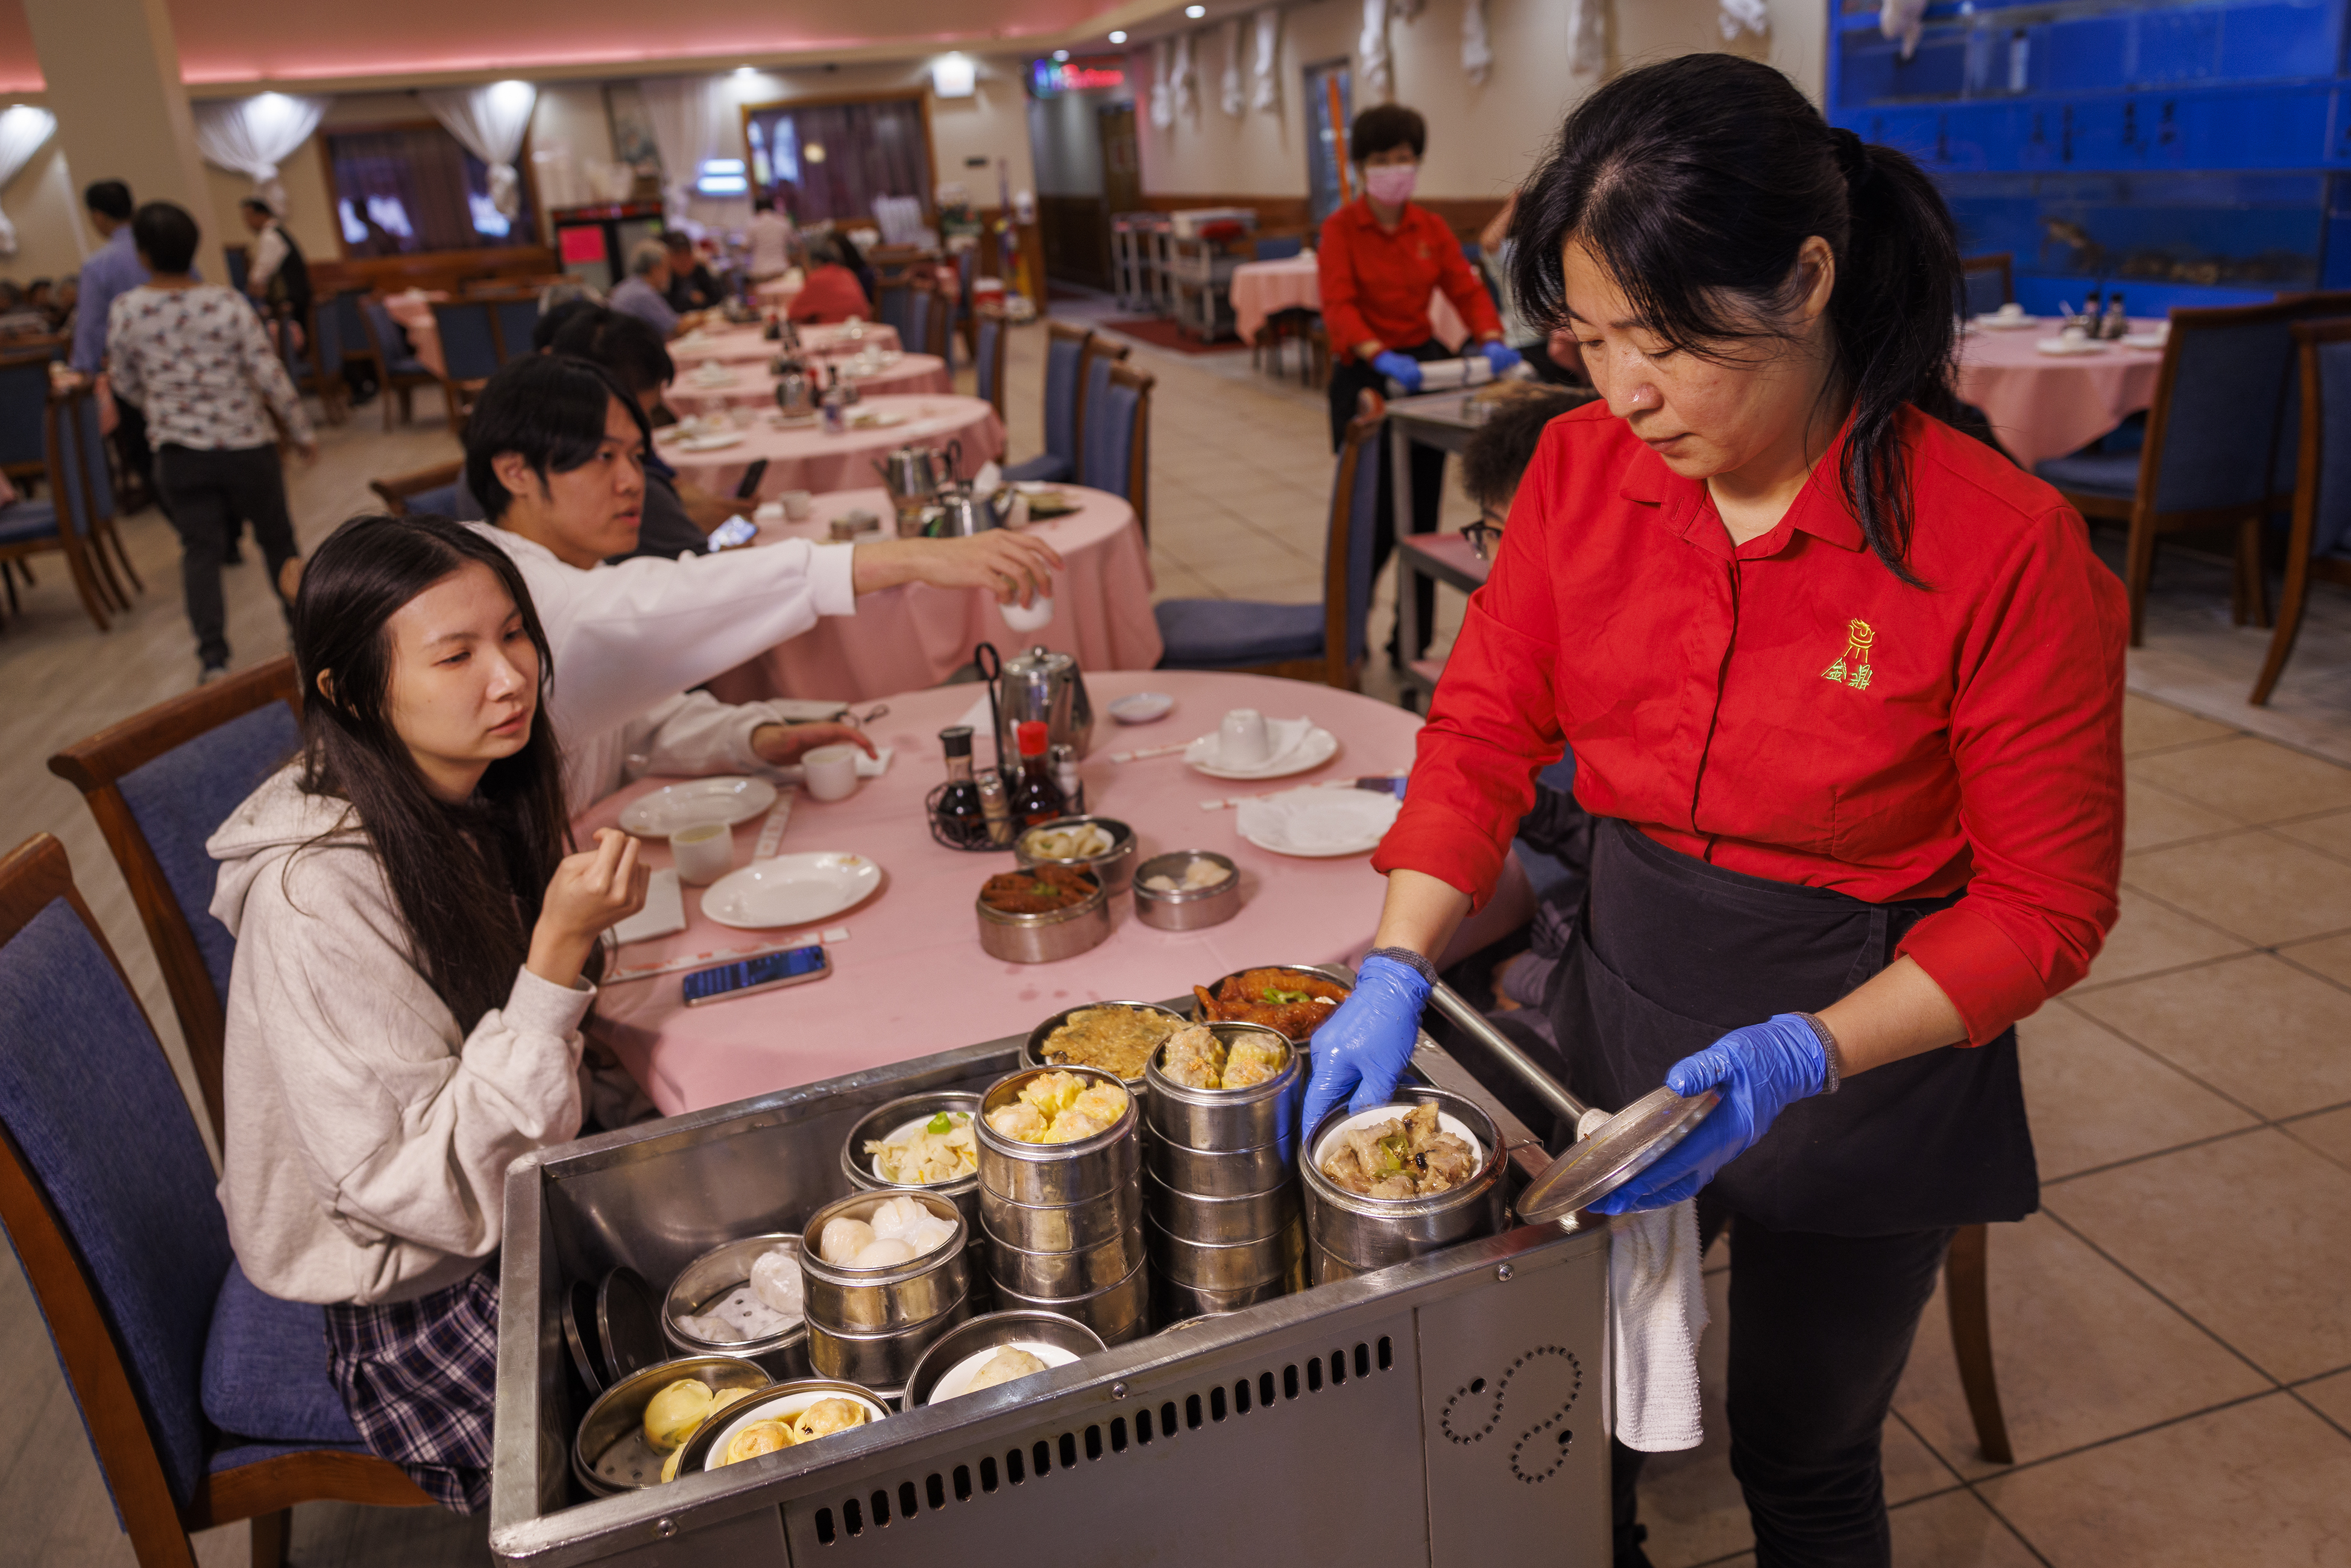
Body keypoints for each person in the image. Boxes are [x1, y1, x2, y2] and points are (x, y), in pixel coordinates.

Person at [1298, 55, 2126, 1568]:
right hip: (1630, 971)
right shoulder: (1574, 469)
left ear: (1807, 278)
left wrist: (1806, 1052)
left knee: (1802, 1444)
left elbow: (2042, 904)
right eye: (1590, 336)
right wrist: (1397, 960)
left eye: (1665, 340)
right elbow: (1484, 729)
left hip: (1872, 1026)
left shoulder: (1997, 543)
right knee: (1574, 1394)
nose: (1624, 391)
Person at [209, 512, 651, 1514]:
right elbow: (423, 1199)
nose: (508, 677)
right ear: (350, 690)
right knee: (705, 1435)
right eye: (455, 655)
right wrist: (556, 954)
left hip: (519, 1214)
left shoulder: (459, 794)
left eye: (514, 635)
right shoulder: (315, 896)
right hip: (425, 1303)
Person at [459, 354, 1062, 806]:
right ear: (515, 472)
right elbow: (671, 602)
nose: (631, 481)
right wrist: (912, 559)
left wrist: (756, 738)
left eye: (637, 457)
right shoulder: (502, 593)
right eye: (603, 457)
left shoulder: (558, 579)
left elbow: (633, 724)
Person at [1315, 104, 1516, 663]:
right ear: (1361, 167)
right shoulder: (1340, 230)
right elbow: (1338, 306)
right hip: (1365, 376)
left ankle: (1412, 640)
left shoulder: (1428, 228)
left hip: (1422, 373)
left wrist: (1491, 336)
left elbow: (1467, 288)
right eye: (1382, 160)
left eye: (1404, 159)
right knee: (1370, 519)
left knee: (1419, 515)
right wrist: (1378, 355)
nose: (1394, 170)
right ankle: (1345, 633)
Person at [107, 201, 312, 684]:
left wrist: (163, 406)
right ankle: (304, 639)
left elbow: (123, 382)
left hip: (179, 451)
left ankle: (213, 660)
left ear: (143, 254)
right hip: (246, 443)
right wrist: (300, 430)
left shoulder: (128, 310)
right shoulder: (226, 302)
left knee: (199, 550)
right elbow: (267, 371)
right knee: (278, 540)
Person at [73, 179, 184, 505]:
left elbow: (91, 327)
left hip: (138, 375)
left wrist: (83, 370)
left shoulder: (99, 265)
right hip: (185, 362)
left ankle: (191, 528)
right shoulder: (167, 248)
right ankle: (226, 532)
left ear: (97, 216)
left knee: (149, 457)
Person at [239, 195, 313, 348]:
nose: (246, 222)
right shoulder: (277, 232)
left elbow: (259, 275)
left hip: (290, 304)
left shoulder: (270, 236)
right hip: (298, 299)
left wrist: (249, 290)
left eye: (249, 216)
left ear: (263, 215)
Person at [785, 234, 873, 325]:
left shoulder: (818, 279)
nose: (805, 269)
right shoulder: (846, 273)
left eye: (805, 264)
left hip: (834, 331)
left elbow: (793, 313)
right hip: (862, 326)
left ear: (817, 263)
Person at [609, 241, 685, 337]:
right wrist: (701, 318)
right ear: (655, 269)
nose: (670, 274)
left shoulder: (626, 286)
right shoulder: (643, 293)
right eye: (667, 267)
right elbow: (675, 329)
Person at [662, 230, 724, 313]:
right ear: (669, 257)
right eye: (678, 256)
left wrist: (704, 301)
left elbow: (718, 299)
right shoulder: (665, 277)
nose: (684, 261)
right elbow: (667, 308)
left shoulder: (700, 270)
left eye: (687, 255)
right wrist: (689, 301)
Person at [746, 195, 795, 281]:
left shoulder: (753, 224)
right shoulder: (783, 222)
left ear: (756, 209)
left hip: (761, 270)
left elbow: (745, 247)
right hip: (781, 268)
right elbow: (795, 243)